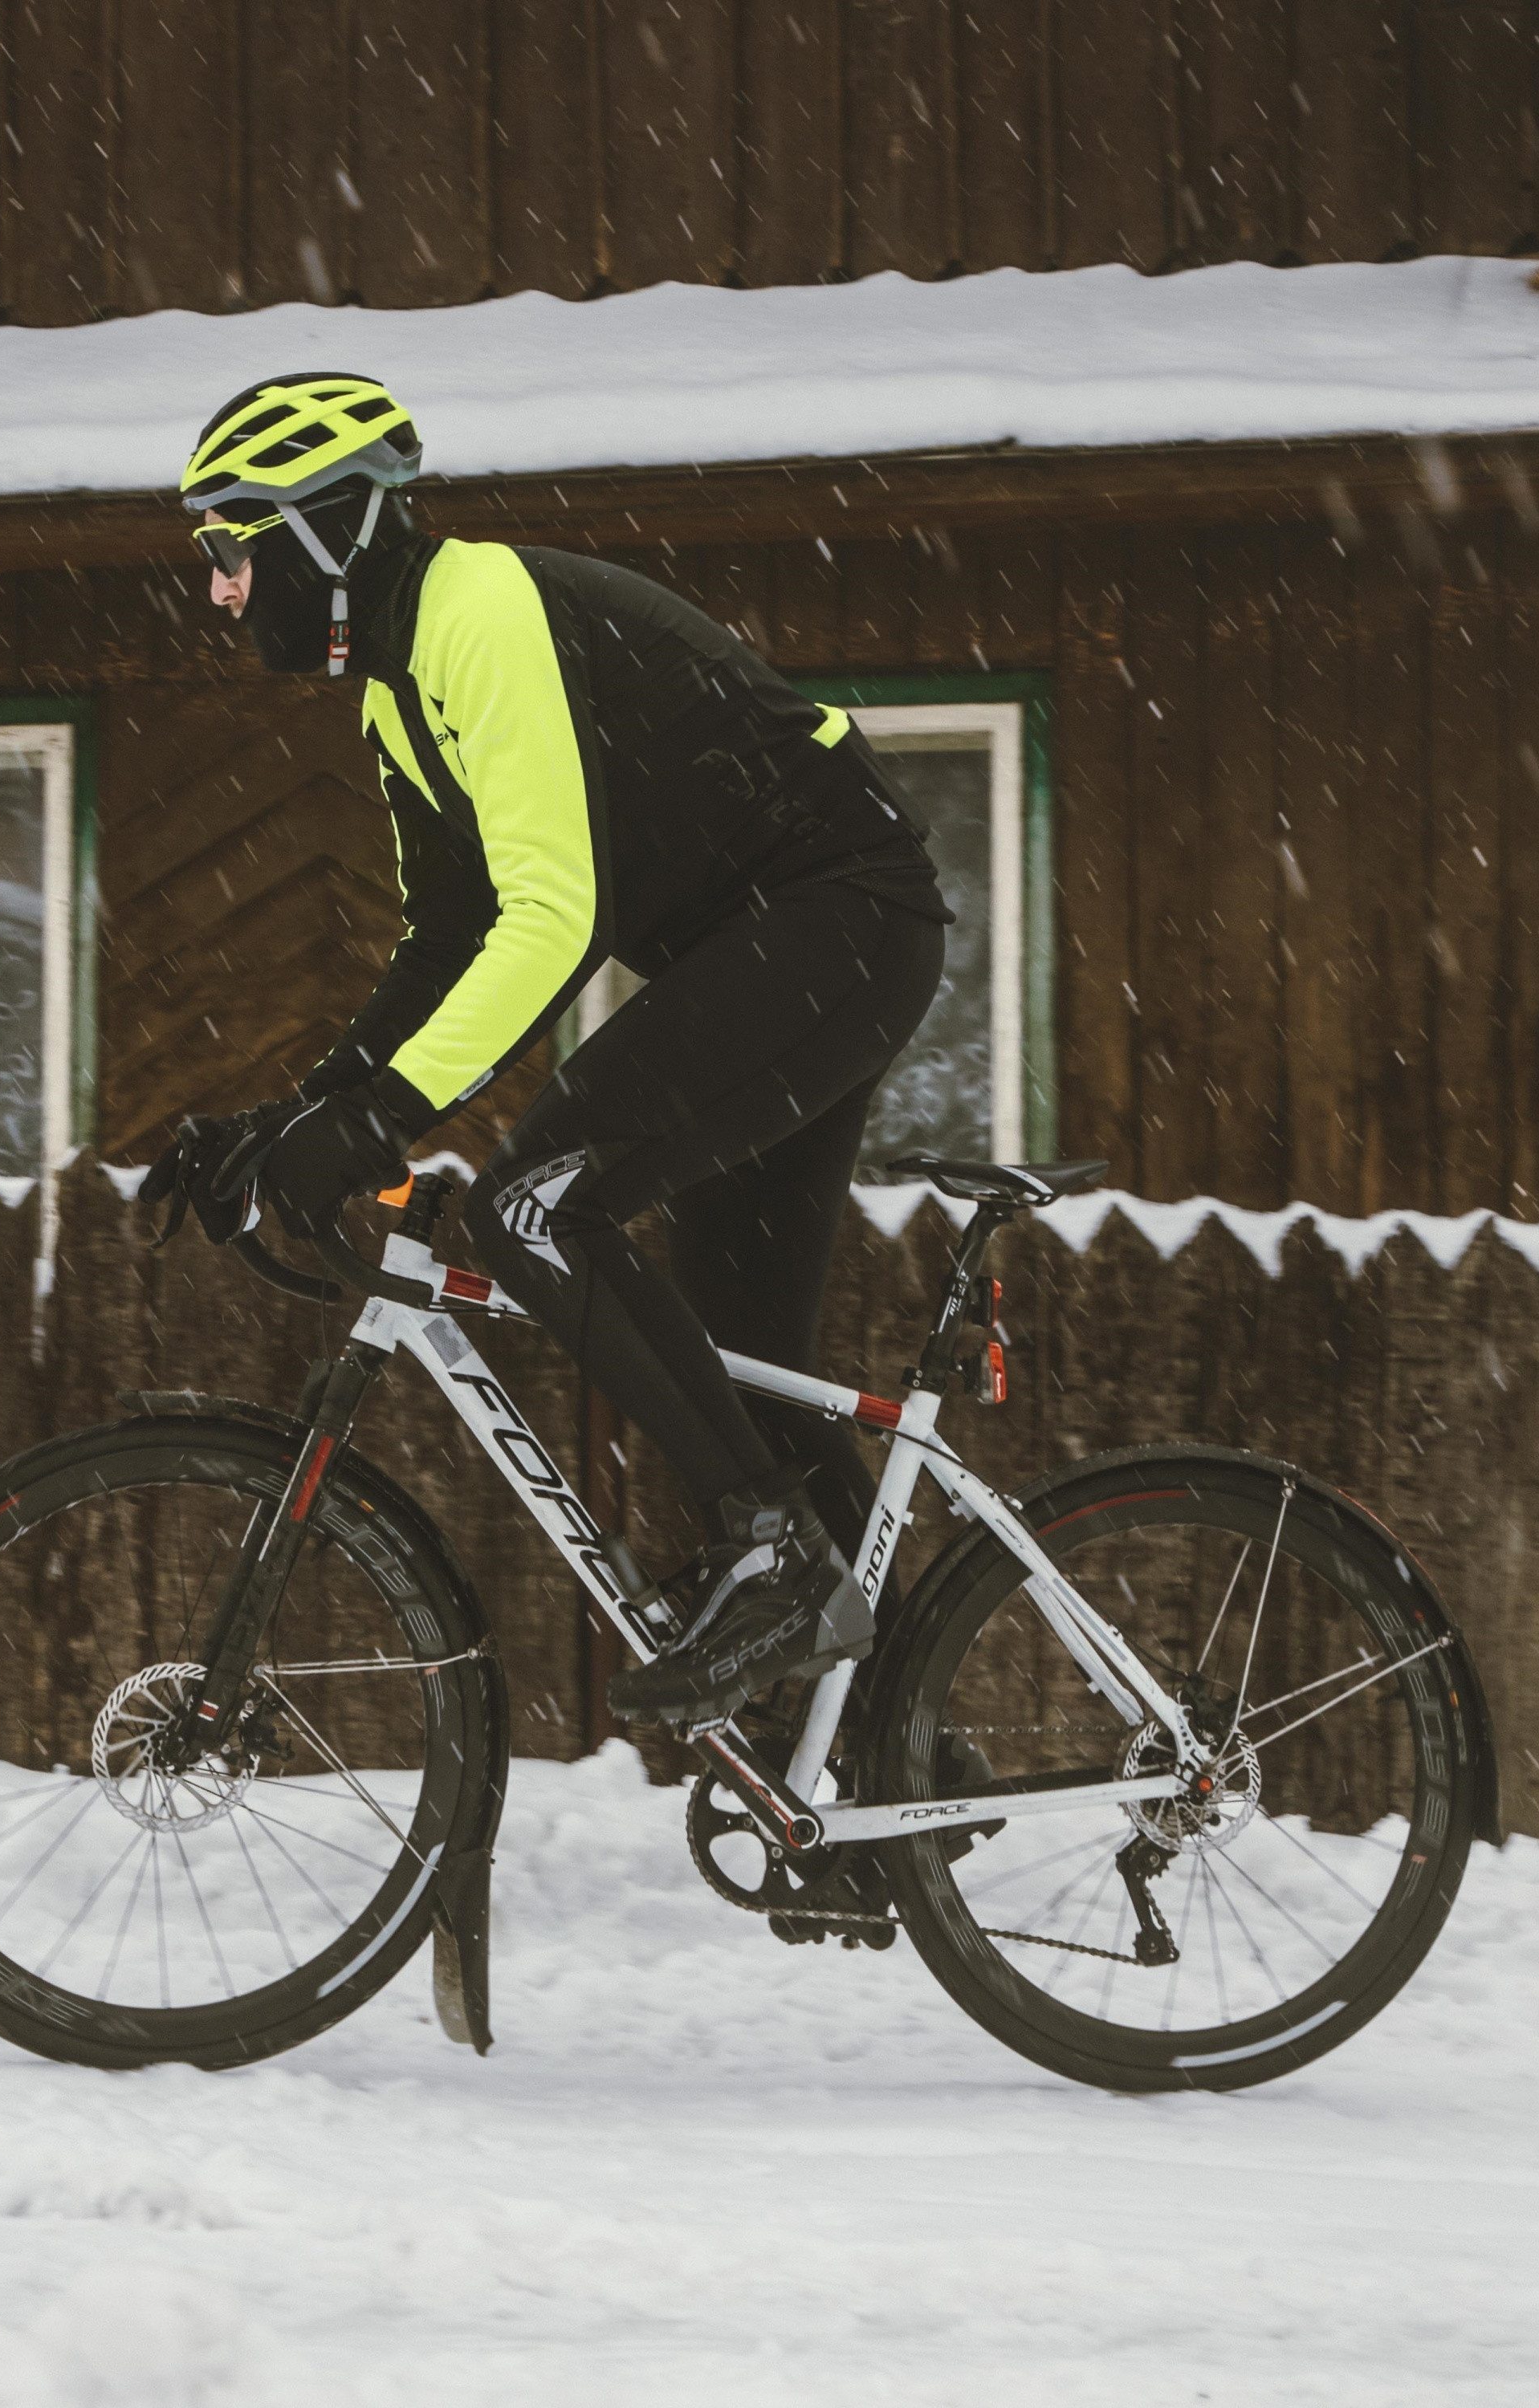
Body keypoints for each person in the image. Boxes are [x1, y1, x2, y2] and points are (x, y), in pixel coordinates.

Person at [140, 371, 948, 1727]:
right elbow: (446, 942)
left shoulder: (480, 612)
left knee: (534, 1207)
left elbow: (553, 914)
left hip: (837, 921)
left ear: (325, 527)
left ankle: (774, 1561)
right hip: (779, 947)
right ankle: (897, 1760)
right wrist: (298, 1116)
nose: (222, 590)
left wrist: (380, 1111)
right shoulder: (401, 686)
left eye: (233, 546)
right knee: (746, 1349)